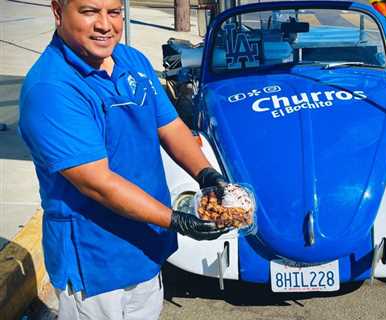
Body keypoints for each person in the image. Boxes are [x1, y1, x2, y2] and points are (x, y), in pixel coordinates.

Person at [18, 0, 230, 318]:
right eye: (89, 12)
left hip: (145, 244)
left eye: (114, 12)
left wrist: (207, 174)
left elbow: (170, 126)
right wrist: (176, 220)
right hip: (96, 261)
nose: (105, 25)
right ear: (58, 11)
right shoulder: (52, 88)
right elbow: (98, 183)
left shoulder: (131, 60)